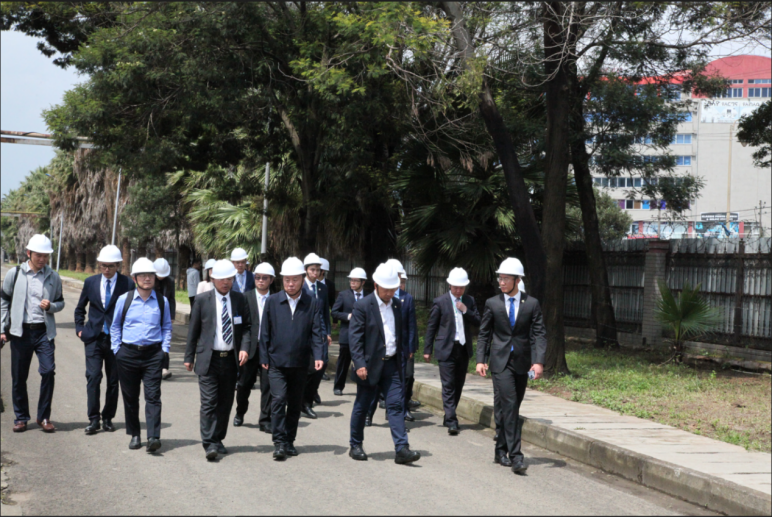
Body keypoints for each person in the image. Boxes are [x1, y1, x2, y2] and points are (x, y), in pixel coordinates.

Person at [476, 257, 546, 474]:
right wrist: (480, 359)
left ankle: (500, 450)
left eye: (506, 278)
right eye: (500, 278)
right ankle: (516, 456)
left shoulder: (531, 304)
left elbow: (539, 334)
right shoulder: (493, 303)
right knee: (510, 405)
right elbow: (484, 333)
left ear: (518, 280)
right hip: (500, 363)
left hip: (522, 363)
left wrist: (538, 362)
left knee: (511, 407)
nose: (502, 282)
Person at [348, 263, 420, 465]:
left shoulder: (397, 305)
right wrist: (359, 363)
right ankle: (355, 444)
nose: (390, 293)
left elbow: (399, 333)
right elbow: (355, 337)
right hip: (369, 366)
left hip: (392, 365)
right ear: (376, 285)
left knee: (396, 405)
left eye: (393, 289)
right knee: (362, 405)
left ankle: (402, 449)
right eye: (386, 289)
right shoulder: (363, 306)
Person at [185, 260, 251, 461]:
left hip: (230, 360)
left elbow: (247, 327)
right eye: (222, 279)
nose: (226, 282)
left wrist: (245, 348)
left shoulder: (239, 299)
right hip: (209, 359)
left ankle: (218, 438)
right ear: (213, 279)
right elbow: (193, 330)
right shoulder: (202, 300)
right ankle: (209, 443)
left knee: (225, 403)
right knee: (209, 403)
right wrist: (189, 356)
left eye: (229, 279)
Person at [259, 257, 324, 461]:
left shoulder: (311, 303)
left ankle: (289, 441)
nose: (290, 284)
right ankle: (279, 442)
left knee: (295, 404)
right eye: (287, 280)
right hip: (276, 362)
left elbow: (316, 332)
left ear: (302, 279)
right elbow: (265, 332)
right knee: (278, 400)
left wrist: (319, 355)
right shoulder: (272, 301)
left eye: (295, 279)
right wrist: (264, 356)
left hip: (300, 363)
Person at [1, 234, 64, 433]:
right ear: (29, 253)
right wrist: (2, 329)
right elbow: (3, 301)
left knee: (48, 371)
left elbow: (61, 302)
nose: (42, 259)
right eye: (38, 255)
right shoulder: (15, 274)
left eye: (45, 256)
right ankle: (21, 418)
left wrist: (51, 306)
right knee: (19, 377)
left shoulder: (53, 276)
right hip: (20, 333)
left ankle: (44, 417)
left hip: (44, 332)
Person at [111, 257, 173, 453]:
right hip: (128, 354)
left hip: (153, 355)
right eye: (143, 275)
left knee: (153, 396)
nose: (147, 278)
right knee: (130, 397)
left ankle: (153, 437)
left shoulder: (162, 301)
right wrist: (117, 350)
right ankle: (135, 434)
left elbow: (167, 327)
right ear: (135, 278)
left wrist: (164, 350)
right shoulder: (124, 300)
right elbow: (115, 326)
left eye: (150, 275)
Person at [74, 244, 135, 435]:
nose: (106, 269)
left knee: (113, 380)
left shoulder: (127, 284)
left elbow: (132, 311)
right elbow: (80, 308)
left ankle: (108, 418)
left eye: (110, 266)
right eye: (103, 265)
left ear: (118, 265)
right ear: (99, 264)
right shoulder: (91, 282)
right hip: (94, 338)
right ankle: (93, 419)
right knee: (93, 377)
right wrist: (80, 329)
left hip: (117, 340)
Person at [424, 267, 481, 435]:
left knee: (458, 384)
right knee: (448, 385)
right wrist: (427, 349)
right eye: (455, 287)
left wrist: (465, 310)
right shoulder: (440, 302)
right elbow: (432, 327)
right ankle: (451, 420)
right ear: (449, 285)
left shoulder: (469, 300)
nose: (458, 291)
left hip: (463, 348)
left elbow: (478, 321)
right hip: (446, 348)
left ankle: (449, 414)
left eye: (461, 288)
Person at [365, 259, 418, 426]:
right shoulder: (374, 298)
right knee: (375, 384)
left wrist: (411, 347)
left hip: (400, 349)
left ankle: (396, 414)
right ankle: (368, 414)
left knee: (402, 381)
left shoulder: (406, 298)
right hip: (379, 350)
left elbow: (411, 325)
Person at [233, 262, 275, 434]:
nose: (260, 280)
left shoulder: (276, 299)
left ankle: (265, 419)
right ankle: (240, 412)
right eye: (257, 277)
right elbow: (241, 325)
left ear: (271, 280)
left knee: (268, 386)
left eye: (264, 278)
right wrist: (241, 347)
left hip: (269, 350)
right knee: (244, 384)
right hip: (250, 349)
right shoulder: (245, 298)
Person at [300, 253, 331, 419]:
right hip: (305, 333)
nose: (315, 273)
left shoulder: (322, 288)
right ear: (306, 270)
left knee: (321, 366)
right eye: (312, 269)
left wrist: (328, 332)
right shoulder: (300, 287)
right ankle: (302, 402)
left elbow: (326, 312)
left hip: (320, 333)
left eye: (318, 270)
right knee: (307, 369)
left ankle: (307, 400)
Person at [330, 267, 367, 396]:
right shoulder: (343, 295)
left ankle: (364, 388)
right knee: (343, 362)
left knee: (363, 363)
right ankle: (338, 386)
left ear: (363, 282)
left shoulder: (369, 296)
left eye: (356, 281)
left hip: (364, 335)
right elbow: (334, 312)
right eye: (351, 280)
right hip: (347, 335)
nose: (352, 283)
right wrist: (347, 316)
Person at [154, 258, 177, 380]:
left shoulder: (170, 281)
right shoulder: (150, 279)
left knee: (165, 341)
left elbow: (172, 299)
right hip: (152, 314)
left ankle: (164, 368)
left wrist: (172, 316)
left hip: (165, 314)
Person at [318, 257, 335, 382]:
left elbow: (332, 303)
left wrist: (334, 321)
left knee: (324, 349)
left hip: (323, 319)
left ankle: (322, 371)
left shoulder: (329, 285)